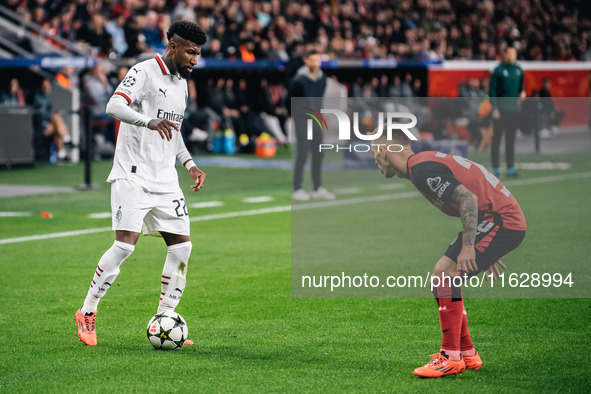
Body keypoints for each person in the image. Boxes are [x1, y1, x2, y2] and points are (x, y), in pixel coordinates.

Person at [75, 20, 208, 347]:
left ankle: (165, 316)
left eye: (198, 53)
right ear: (173, 47)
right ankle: (87, 311)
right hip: (132, 175)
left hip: (166, 180)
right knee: (124, 246)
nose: (195, 59)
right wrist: (147, 119)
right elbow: (114, 105)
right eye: (191, 52)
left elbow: (172, 131)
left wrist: (189, 164)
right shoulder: (144, 71)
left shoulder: (181, 86)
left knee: (182, 247)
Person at [371, 128, 526, 378]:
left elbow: (468, 199)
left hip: (500, 220)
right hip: (496, 219)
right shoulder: (421, 164)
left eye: (374, 153)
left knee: (444, 274)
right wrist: (486, 246)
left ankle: (450, 357)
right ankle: (466, 352)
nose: (375, 161)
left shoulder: (421, 169)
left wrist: (470, 247)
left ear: (384, 151)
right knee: (441, 279)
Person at [286, 49, 335, 201]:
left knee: (318, 153)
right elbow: (289, 99)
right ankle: (297, 188)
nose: (316, 63)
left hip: (316, 118)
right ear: (306, 61)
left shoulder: (323, 79)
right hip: (302, 118)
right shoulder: (298, 80)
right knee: (302, 152)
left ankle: (317, 187)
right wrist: (294, 114)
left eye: (318, 60)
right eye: (312, 60)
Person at [489, 47, 526, 177]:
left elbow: (521, 88)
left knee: (510, 140)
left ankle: (510, 169)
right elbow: (492, 91)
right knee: (497, 140)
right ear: (504, 54)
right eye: (509, 53)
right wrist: (494, 108)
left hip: (513, 110)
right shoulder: (498, 71)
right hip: (501, 110)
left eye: (514, 54)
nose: (511, 56)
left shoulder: (518, 70)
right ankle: (495, 169)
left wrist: (523, 93)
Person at [31, 78, 70, 162]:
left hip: (48, 124)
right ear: (41, 86)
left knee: (56, 127)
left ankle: (61, 152)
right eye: (45, 86)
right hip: (40, 126)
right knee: (56, 118)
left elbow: (51, 110)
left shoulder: (48, 98)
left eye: (48, 86)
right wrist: (50, 115)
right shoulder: (36, 96)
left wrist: (50, 115)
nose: (46, 88)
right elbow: (40, 115)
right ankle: (65, 137)